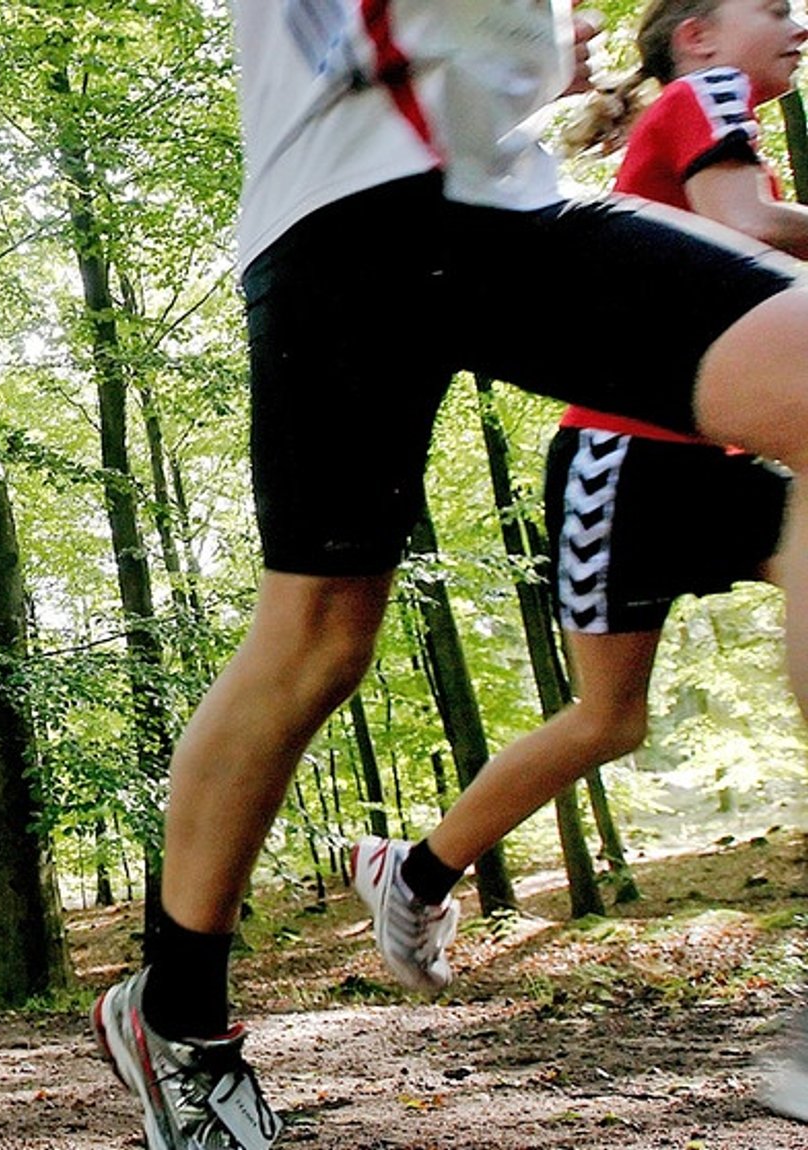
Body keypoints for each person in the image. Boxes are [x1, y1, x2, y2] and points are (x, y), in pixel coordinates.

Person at [90, 3, 808, 1148]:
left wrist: (536, 43)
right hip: (343, 215)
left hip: (489, 196)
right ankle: (175, 1011)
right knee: (317, 641)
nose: (789, 20)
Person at [345, 0, 807, 1115]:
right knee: (605, 718)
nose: (795, 23)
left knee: (614, 717)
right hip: (623, 459)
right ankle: (411, 872)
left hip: (709, 452)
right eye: (770, 8)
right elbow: (741, 223)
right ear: (694, 34)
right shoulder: (704, 101)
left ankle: (408, 870)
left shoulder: (704, 105)